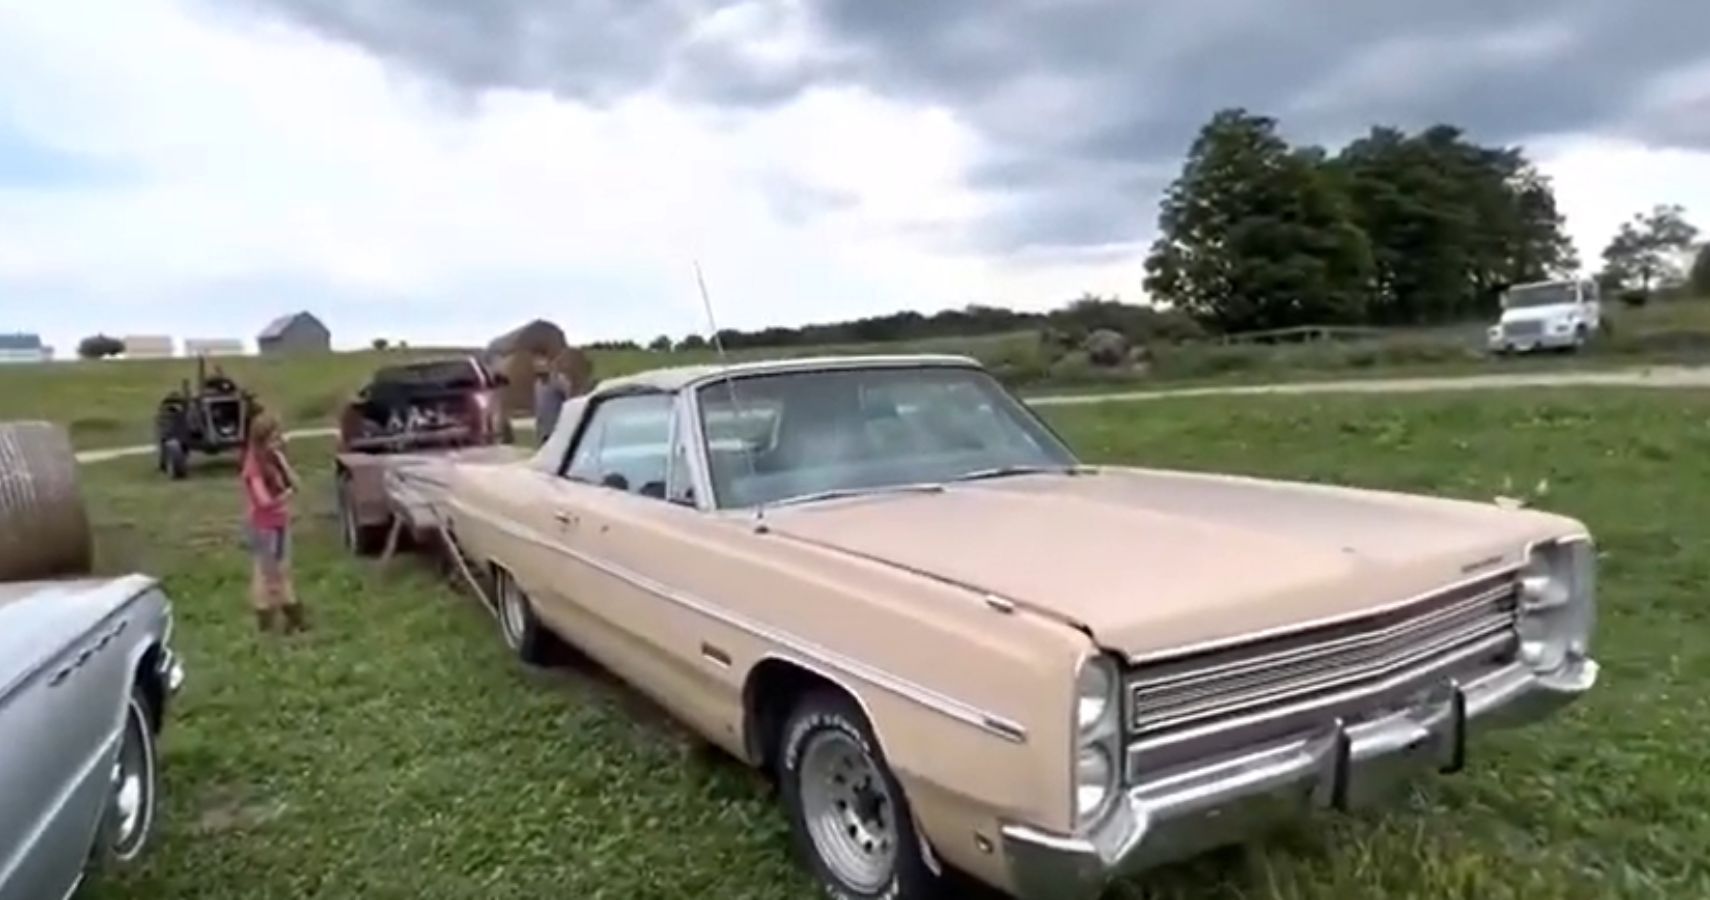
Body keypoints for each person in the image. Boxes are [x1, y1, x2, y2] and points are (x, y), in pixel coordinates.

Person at [241, 412, 306, 633]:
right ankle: (267, 619)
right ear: (262, 440)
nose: (278, 442)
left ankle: (291, 615)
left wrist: (284, 463)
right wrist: (285, 497)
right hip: (263, 525)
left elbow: (297, 483)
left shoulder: (274, 458)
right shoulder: (253, 467)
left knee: (282, 570)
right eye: (274, 439)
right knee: (264, 572)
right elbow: (263, 501)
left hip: (279, 522)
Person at [533, 359, 569, 446]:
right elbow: (539, 406)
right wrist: (538, 425)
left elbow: (568, 397)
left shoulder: (558, 381)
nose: (541, 376)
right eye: (539, 373)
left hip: (557, 426)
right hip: (544, 428)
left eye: (543, 372)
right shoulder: (537, 385)